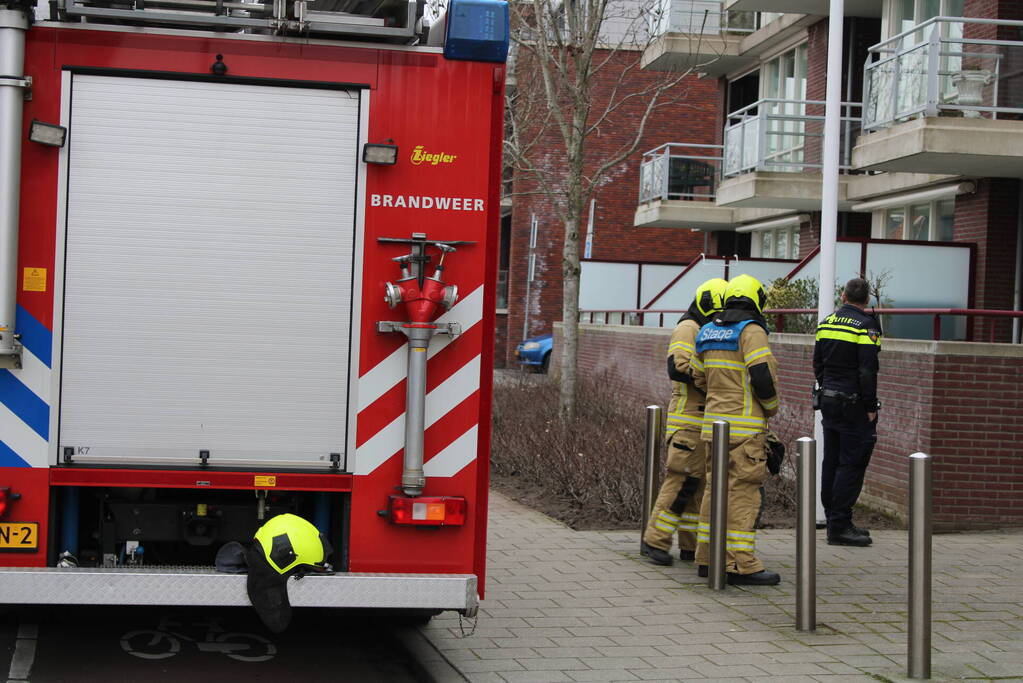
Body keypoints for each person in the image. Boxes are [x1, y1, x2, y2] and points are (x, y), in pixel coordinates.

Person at [691, 274, 781, 586]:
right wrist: (770, 408)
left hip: (713, 428)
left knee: (714, 491)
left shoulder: (708, 330)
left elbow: (697, 376)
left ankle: (707, 558)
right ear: (756, 299)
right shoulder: (752, 331)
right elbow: (762, 377)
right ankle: (741, 564)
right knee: (743, 495)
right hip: (745, 430)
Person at [641, 278, 728, 566]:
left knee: (697, 487)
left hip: (701, 419)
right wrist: (715, 381)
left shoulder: (704, 328)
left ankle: (691, 547)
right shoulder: (688, 328)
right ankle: (655, 541)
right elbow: (676, 369)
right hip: (688, 419)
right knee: (680, 482)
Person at [813, 277, 882, 547]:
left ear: (843, 296)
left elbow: (817, 362)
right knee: (851, 463)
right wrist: (870, 407)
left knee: (831, 459)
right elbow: (867, 370)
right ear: (866, 300)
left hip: (828, 398)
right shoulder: (866, 326)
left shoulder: (826, 322)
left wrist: (827, 386)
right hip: (853, 403)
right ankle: (840, 526)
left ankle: (834, 519)